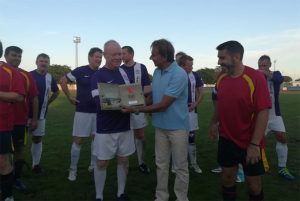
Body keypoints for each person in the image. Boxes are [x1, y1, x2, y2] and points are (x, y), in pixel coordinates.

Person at [123, 39, 190, 201]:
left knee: (180, 166)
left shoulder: (179, 74)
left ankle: (182, 198)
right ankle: (161, 196)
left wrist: (136, 109)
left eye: (154, 55)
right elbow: (151, 94)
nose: (150, 58)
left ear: (164, 56)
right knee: (161, 164)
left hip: (178, 128)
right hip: (160, 126)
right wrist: (129, 98)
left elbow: (163, 105)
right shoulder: (157, 73)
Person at [208, 40, 271, 201]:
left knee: (253, 185)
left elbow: (263, 112)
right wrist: (214, 123)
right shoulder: (221, 78)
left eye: (222, 58)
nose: (218, 61)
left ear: (236, 57)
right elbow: (220, 104)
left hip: (250, 141)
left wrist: (255, 144)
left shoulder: (255, 77)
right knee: (228, 178)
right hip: (227, 139)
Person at [91, 40, 136, 201]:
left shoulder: (124, 73)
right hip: (105, 127)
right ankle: (99, 196)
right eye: (114, 54)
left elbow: (131, 95)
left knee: (123, 160)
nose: (118, 57)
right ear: (105, 55)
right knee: (102, 163)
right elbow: (99, 103)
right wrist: (122, 104)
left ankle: (120, 193)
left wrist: (134, 103)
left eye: (120, 54)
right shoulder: (98, 75)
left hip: (124, 125)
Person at [60, 47, 103, 181]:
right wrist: (69, 97)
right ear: (89, 57)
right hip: (82, 112)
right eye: (96, 56)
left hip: (98, 112)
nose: (99, 59)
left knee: (96, 140)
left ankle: (93, 164)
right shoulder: (81, 70)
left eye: (100, 57)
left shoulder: (102, 73)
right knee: (78, 141)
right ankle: (73, 169)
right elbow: (63, 80)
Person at [4, 46, 39, 191]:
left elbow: (34, 98)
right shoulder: (2, 72)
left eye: (19, 56)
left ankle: (16, 178)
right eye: (14, 55)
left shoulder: (26, 75)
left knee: (19, 149)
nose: (17, 58)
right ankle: (5, 179)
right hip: (3, 120)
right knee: (3, 153)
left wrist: (35, 118)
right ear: (5, 56)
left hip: (19, 120)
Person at [258, 55, 295, 180]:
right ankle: (256, 166)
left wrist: (265, 73)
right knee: (256, 141)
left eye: (264, 65)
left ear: (269, 65)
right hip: (260, 116)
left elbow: (279, 79)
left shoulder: (276, 74)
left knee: (282, 138)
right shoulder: (256, 76)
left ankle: (282, 167)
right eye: (260, 65)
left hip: (275, 115)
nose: (262, 68)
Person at [121, 45, 151, 174]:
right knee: (124, 136)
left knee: (140, 135)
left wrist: (136, 96)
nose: (122, 56)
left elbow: (148, 88)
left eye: (124, 54)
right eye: (121, 54)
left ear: (132, 54)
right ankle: (124, 164)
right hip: (124, 107)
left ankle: (142, 162)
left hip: (138, 106)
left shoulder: (141, 67)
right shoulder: (119, 69)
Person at [0, 41, 25, 201]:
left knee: (3, 161)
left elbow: (18, 96)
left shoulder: (10, 73)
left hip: (2, 125)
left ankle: (8, 196)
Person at [30, 53, 59, 173]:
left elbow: (56, 92)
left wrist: (48, 103)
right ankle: (15, 166)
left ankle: (35, 164)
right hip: (23, 114)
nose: (43, 63)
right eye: (41, 61)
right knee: (18, 141)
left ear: (48, 64)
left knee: (37, 139)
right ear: (36, 62)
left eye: (46, 61)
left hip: (41, 115)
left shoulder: (50, 77)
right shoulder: (28, 75)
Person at [177, 54, 204, 174]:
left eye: (192, 65)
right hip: (177, 112)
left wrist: (195, 104)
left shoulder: (195, 75)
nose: (192, 67)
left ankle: (193, 163)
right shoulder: (175, 75)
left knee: (191, 138)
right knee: (177, 138)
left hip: (191, 110)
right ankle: (177, 164)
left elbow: (201, 92)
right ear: (182, 65)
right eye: (189, 65)